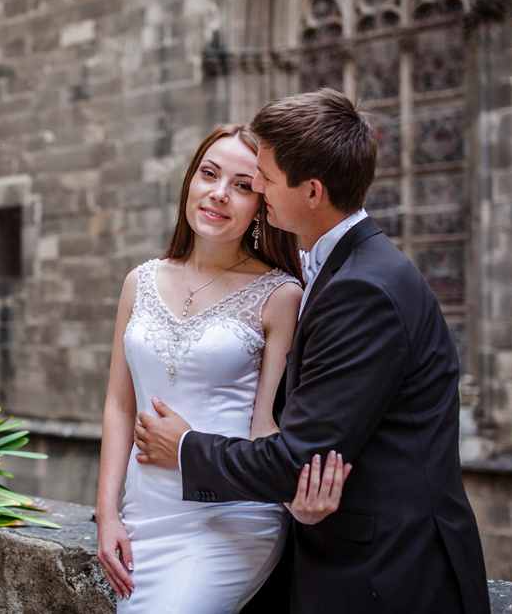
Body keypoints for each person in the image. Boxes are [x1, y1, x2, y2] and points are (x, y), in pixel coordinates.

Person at [133, 88, 491, 613]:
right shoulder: (337, 266)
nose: (257, 186)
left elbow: (298, 458)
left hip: (391, 575)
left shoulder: (364, 286)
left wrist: (186, 447)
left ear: (314, 191)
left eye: (267, 178)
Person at [95, 124, 350, 613]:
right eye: (209, 174)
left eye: (243, 185)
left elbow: (265, 427)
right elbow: (119, 404)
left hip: (229, 518)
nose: (219, 194)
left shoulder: (280, 295)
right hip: (144, 513)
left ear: (262, 205)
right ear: (190, 180)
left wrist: (297, 497)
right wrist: (107, 513)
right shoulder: (139, 281)